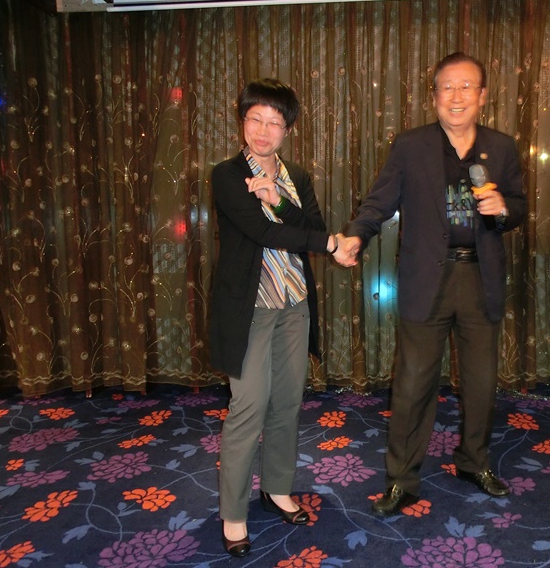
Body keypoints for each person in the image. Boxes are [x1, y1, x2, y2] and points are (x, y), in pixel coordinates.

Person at [336, 52, 526, 515]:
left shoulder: (501, 147)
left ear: (483, 95)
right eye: (447, 87)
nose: (456, 96)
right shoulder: (411, 145)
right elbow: (379, 201)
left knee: (481, 383)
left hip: (480, 277)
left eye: (466, 86)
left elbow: (519, 205)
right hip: (428, 279)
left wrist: (503, 208)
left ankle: (474, 461)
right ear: (434, 95)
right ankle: (402, 479)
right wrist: (357, 234)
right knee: (412, 384)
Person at [209, 78, 349, 557]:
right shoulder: (227, 175)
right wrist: (329, 243)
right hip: (248, 309)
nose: (263, 131)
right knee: (248, 407)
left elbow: (309, 224)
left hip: (293, 304)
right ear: (242, 121)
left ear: (287, 128)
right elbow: (265, 234)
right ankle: (233, 513)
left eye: (274, 122)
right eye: (255, 119)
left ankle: (277, 488)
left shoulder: (297, 176)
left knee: (287, 402)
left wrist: (280, 200)